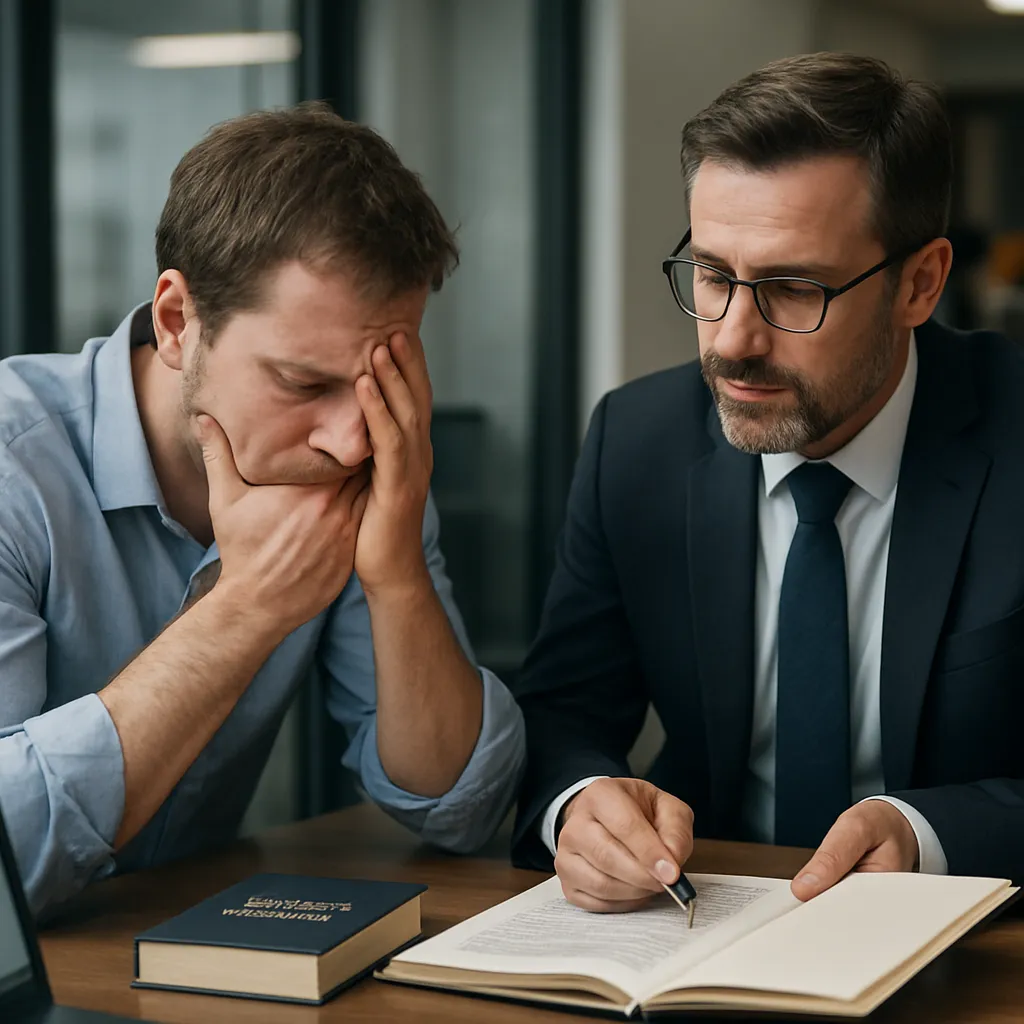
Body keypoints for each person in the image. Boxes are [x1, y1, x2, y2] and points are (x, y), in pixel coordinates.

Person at [512, 52, 1024, 912]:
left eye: (794, 289)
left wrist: (929, 836)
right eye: (712, 276)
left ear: (920, 284)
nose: (734, 340)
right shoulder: (634, 443)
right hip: (697, 924)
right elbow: (566, 715)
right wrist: (579, 807)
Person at [0, 103, 524, 916]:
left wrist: (396, 576)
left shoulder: (354, 465)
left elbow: (457, 810)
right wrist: (246, 608)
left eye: (375, 388)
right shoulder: (13, 464)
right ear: (177, 321)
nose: (351, 441)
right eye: (303, 383)